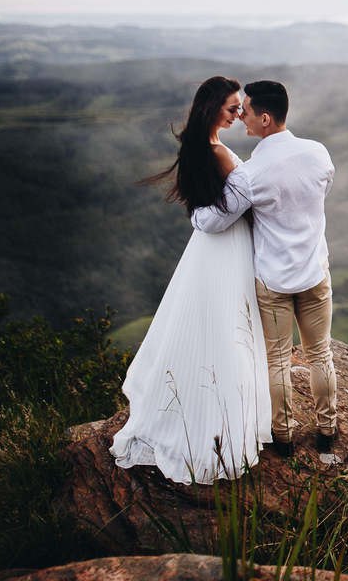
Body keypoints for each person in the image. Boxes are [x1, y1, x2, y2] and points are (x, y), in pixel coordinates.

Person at [111, 76, 272, 484]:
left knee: (211, 320)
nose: (238, 114)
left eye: (240, 108)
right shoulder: (215, 150)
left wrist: (206, 217)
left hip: (214, 249)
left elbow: (206, 209)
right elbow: (225, 210)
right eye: (232, 107)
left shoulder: (203, 147)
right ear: (213, 107)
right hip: (224, 248)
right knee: (224, 324)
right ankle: (212, 425)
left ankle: (200, 409)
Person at [190, 80, 337, 458]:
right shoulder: (318, 153)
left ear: (266, 119)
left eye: (248, 112)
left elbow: (215, 222)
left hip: (273, 280)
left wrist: (195, 214)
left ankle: (284, 434)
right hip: (315, 271)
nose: (242, 118)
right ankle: (327, 429)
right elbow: (322, 190)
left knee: (278, 360)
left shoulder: (250, 174)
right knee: (320, 354)